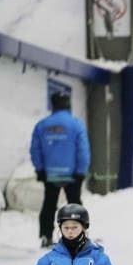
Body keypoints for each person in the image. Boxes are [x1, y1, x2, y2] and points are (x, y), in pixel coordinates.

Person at [30, 92, 91, 247]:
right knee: (75, 205)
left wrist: (40, 170)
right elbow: (83, 151)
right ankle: (79, 238)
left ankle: (46, 236)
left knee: (49, 204)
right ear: (68, 104)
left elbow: (35, 150)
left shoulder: (42, 125)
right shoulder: (76, 125)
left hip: (51, 174)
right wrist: (81, 171)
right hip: (72, 174)